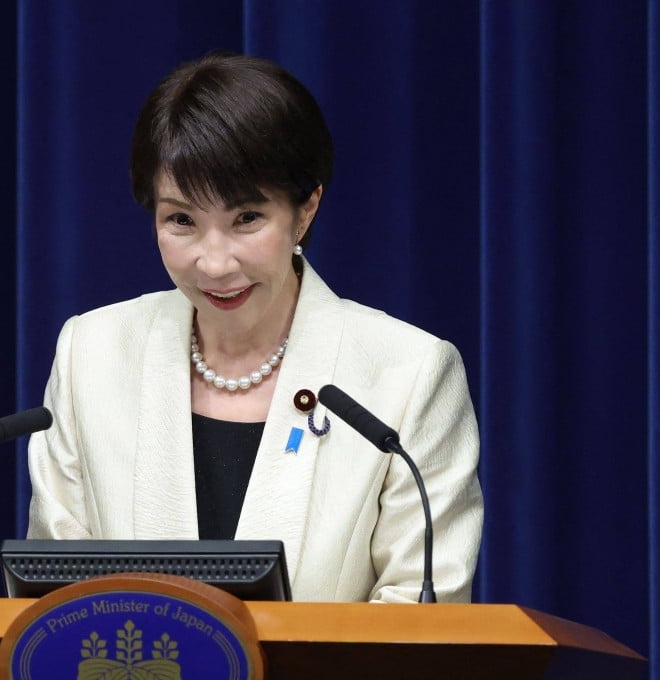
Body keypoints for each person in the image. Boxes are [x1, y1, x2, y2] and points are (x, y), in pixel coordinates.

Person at [26, 53, 483, 603]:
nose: (215, 264)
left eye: (246, 219)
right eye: (182, 220)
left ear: (305, 210)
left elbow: (421, 618)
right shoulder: (93, 353)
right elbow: (55, 602)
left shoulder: (409, 372)